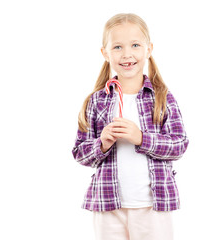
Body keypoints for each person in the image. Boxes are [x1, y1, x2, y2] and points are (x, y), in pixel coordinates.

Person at [71, 13, 189, 240]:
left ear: (149, 49)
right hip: (108, 205)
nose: (127, 54)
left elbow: (180, 145)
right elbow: (79, 153)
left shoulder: (162, 98)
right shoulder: (96, 101)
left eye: (135, 45)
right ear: (105, 53)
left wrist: (141, 138)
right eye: (117, 47)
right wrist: (102, 144)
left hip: (153, 206)